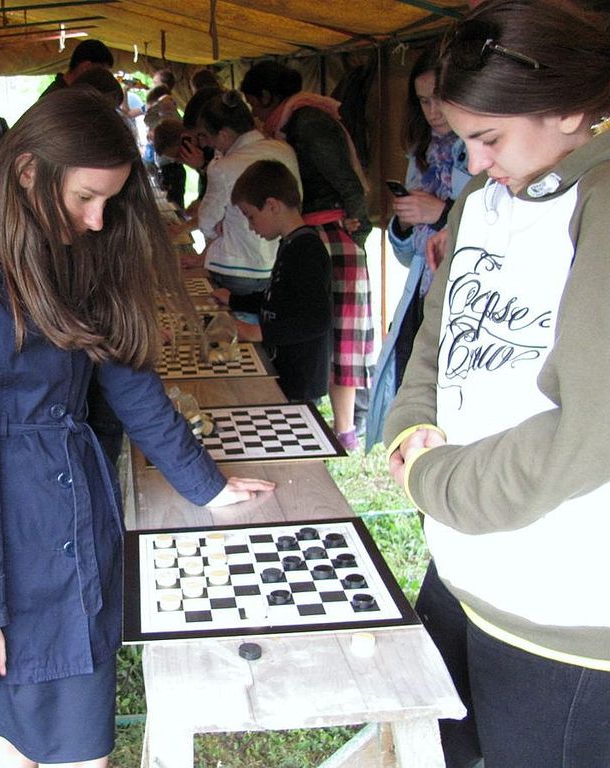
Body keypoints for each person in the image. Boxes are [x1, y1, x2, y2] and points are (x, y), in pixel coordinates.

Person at [0, 87, 274, 767]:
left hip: (70, 517)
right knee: (9, 735)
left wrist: (206, 484)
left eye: (109, 200)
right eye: (85, 197)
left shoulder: (81, 247)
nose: (99, 219)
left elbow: (130, 381)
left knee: (78, 742)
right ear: (27, 171)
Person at [385, 2, 610, 766]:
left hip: (565, 622)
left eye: (490, 138)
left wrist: (434, 481)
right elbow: (439, 340)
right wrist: (411, 423)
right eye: (465, 140)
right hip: (466, 573)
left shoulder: (601, 201)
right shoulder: (481, 203)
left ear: (570, 110)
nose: (476, 163)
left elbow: (589, 430)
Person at [241, 60, 373, 452]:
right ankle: (338, 427)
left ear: (267, 96)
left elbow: (349, 185)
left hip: (334, 238)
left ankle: (345, 431)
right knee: (327, 335)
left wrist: (356, 232)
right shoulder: (294, 122)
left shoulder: (308, 121)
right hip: (322, 232)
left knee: (340, 336)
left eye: (255, 104)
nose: (255, 115)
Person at [365, 46, 470, 451]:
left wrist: (441, 212)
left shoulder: (479, 150)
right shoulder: (420, 154)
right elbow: (407, 256)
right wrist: (405, 224)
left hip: (463, 297)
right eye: (423, 101)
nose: (433, 111)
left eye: (439, 98)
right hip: (424, 295)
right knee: (419, 397)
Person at [212, 160, 332, 402]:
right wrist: (234, 300)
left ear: (271, 205)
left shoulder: (306, 249)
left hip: (300, 379)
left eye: (251, 216)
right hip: (285, 369)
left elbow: (317, 320)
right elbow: (277, 299)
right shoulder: (290, 243)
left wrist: (257, 332)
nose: (250, 226)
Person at [194, 90, 300, 302]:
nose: (208, 145)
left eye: (208, 137)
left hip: (236, 265)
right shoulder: (284, 150)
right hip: (277, 260)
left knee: (233, 317)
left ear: (223, 135)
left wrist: (219, 228)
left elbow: (206, 221)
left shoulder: (224, 167)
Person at [39, 38, 115, 98]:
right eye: (100, 72)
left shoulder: (65, 93)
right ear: (86, 66)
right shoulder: (59, 97)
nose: (102, 78)